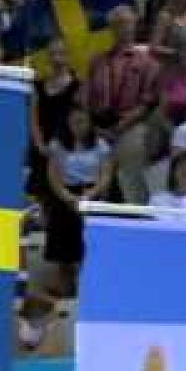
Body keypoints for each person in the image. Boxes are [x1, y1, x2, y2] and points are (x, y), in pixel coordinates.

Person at [86, 5, 160, 204]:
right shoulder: (97, 61)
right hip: (100, 126)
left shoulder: (148, 63)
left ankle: (134, 208)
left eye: (127, 24)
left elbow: (148, 102)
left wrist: (120, 127)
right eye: (117, 25)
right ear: (110, 28)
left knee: (132, 147)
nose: (123, 29)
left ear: (135, 26)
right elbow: (88, 98)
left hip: (132, 125)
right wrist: (96, 128)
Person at [45, 105, 113, 298]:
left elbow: (105, 176)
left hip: (92, 193)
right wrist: (69, 197)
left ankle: (88, 288)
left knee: (88, 242)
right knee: (63, 236)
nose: (78, 126)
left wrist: (89, 195)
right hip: (65, 195)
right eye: (74, 122)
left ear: (90, 123)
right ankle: (64, 286)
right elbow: (53, 177)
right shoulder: (57, 145)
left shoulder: (101, 145)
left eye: (82, 121)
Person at [30, 40, 81, 200]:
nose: (57, 58)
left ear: (68, 57)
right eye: (52, 54)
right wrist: (40, 144)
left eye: (61, 54)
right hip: (43, 146)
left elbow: (79, 119)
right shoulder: (38, 86)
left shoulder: (78, 87)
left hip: (67, 147)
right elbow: (33, 116)